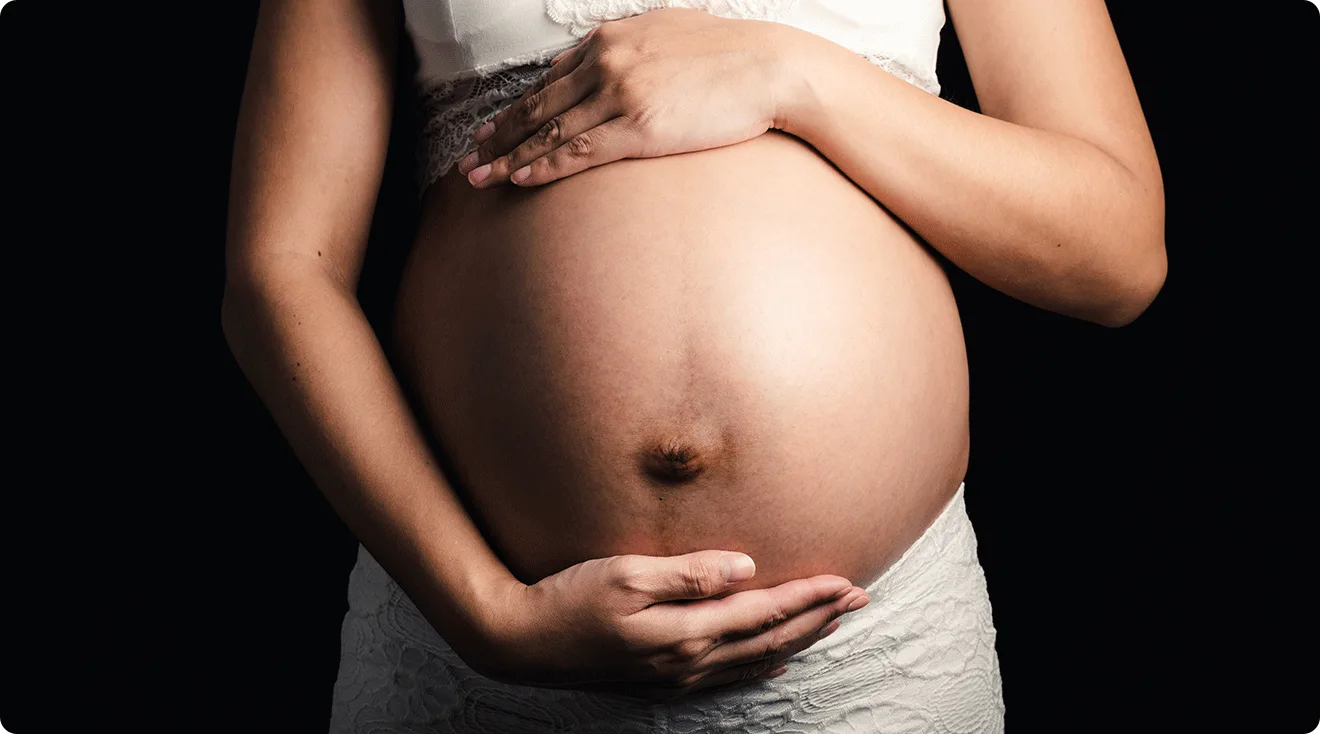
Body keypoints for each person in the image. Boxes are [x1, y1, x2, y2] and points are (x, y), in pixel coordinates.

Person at [221, 0, 1165, 730]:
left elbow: (1118, 254)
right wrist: (485, 614)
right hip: (466, 642)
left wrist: (791, 73)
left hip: (869, 655)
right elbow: (280, 272)